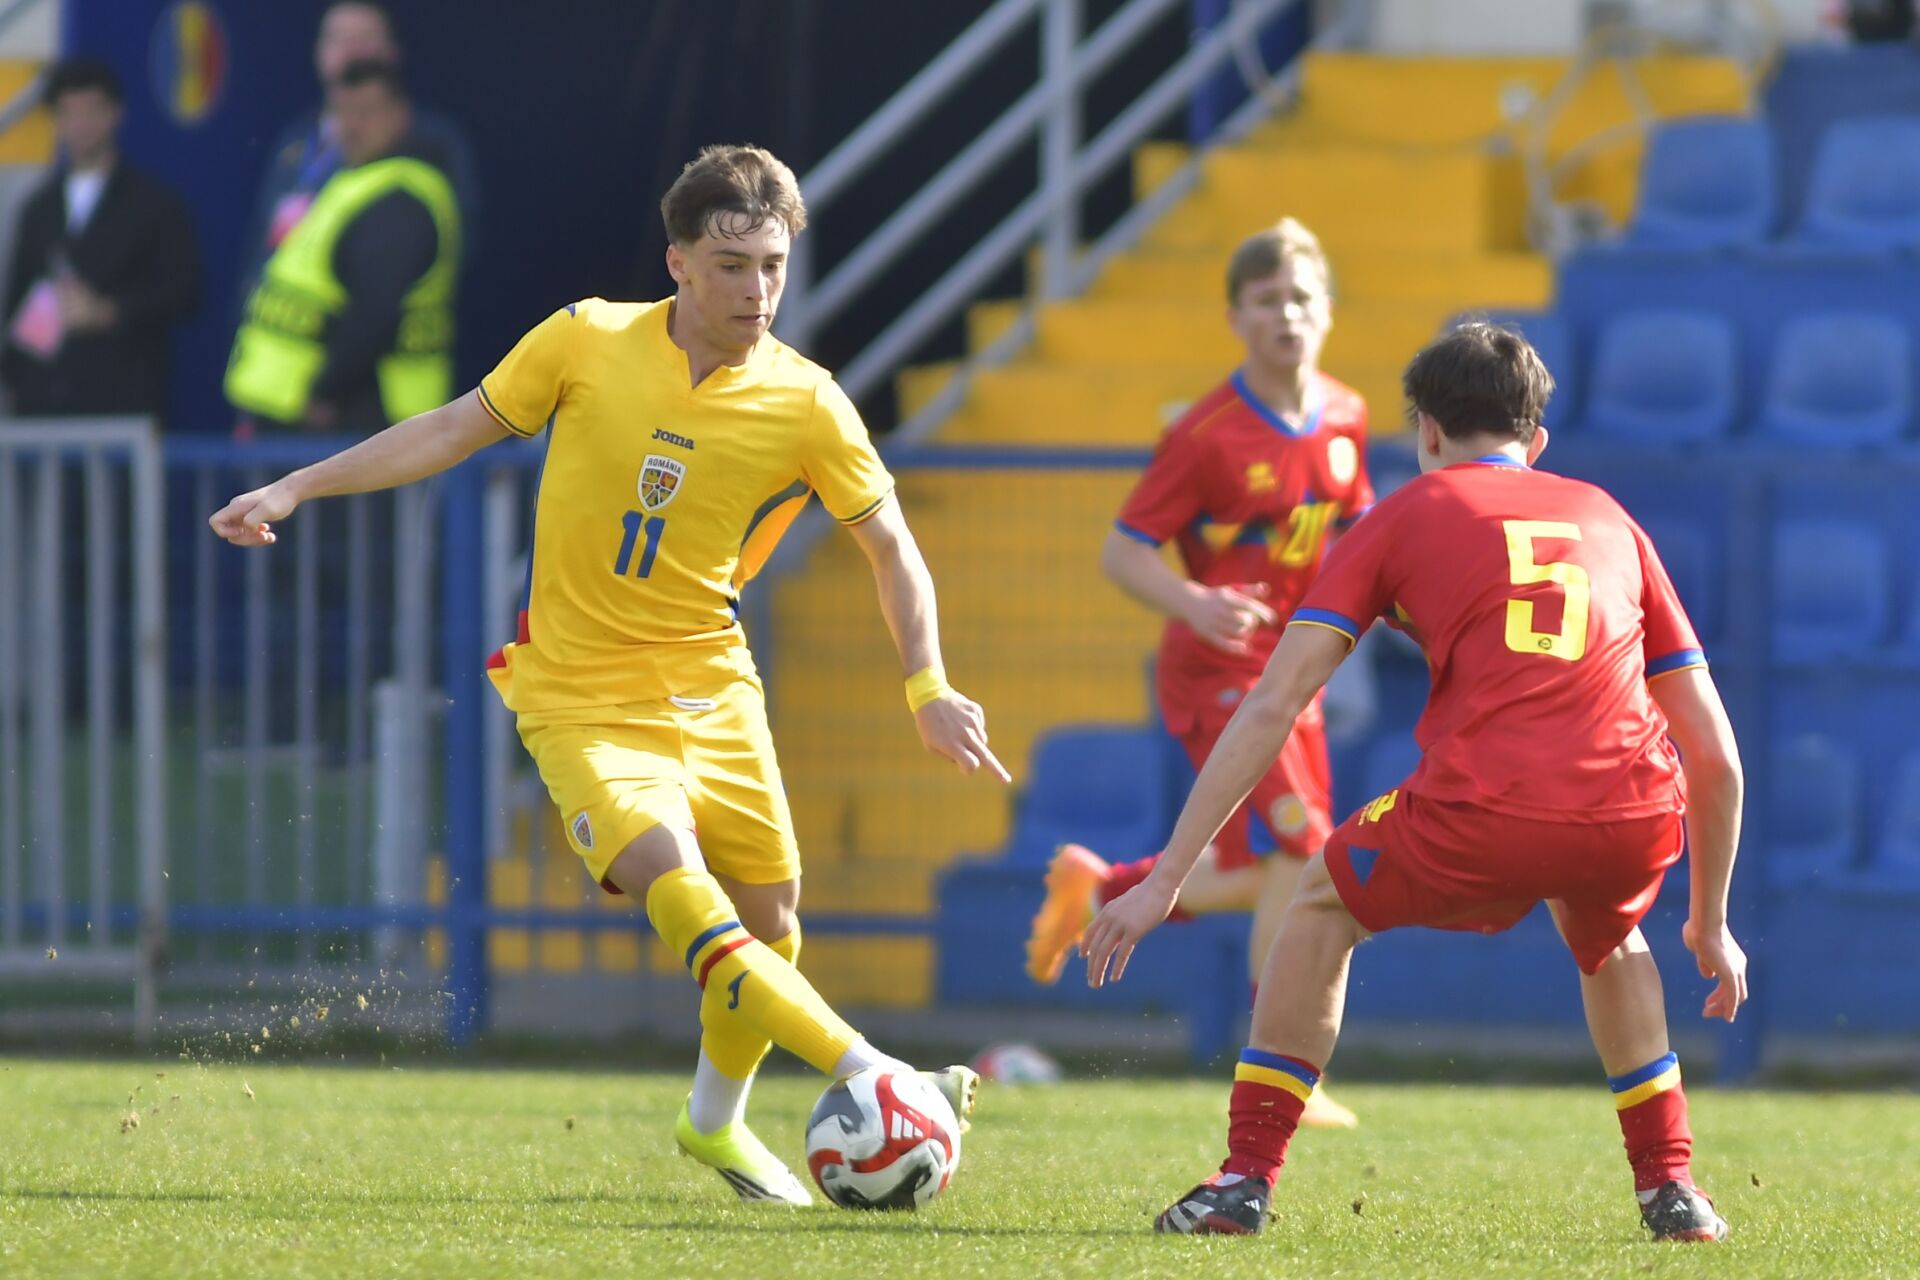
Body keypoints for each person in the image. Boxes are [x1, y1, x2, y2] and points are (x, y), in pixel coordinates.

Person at [210, 144, 1008, 1206]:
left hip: (713, 682)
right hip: (578, 690)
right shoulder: (586, 338)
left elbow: (892, 547)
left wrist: (927, 685)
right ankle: (875, 1070)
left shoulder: (808, 402)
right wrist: (296, 487)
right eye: (731, 266)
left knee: (774, 922)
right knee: (680, 887)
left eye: (773, 265)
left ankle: (712, 1122)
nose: (758, 290)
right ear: (678, 262)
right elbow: (451, 428)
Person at [1082, 321, 1748, 1243]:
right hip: (1629, 810)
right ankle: (1671, 1188)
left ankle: (1243, 1180)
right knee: (1610, 930)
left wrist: (1165, 879)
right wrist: (1710, 921)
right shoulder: (1610, 517)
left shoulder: (1402, 512)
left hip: (1487, 806)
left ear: (1426, 432)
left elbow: (1274, 702)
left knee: (1321, 899)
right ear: (1536, 440)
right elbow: (1715, 754)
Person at [1024, 218, 1370, 1129]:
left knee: (1290, 865)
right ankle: (1280, 1068)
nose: (1286, 315)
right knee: (1300, 852)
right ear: (1235, 318)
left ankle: (1105, 890)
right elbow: (1121, 551)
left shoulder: (1346, 414)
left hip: (1296, 666)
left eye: (1301, 297)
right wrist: (1195, 602)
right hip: (1217, 667)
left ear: (1328, 310)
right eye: (1266, 300)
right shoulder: (1206, 433)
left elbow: (1354, 533)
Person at [225, 59, 460, 437]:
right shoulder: (351, 180)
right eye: (340, 112)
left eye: (365, 112)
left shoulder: (400, 198)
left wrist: (324, 394)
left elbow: (374, 314)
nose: (350, 126)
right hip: (299, 417)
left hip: (357, 423)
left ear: (399, 116)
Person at [234, 1, 476, 310]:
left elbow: (453, 243)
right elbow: (263, 239)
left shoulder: (432, 140)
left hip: (370, 322)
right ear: (319, 53)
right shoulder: (297, 137)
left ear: (393, 51)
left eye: (365, 38)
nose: (352, 51)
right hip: (279, 321)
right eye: (339, 38)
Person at [2, 57, 199, 419]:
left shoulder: (155, 204)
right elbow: (18, 302)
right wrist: (18, 379)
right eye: (68, 113)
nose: (80, 125)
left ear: (115, 114)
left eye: (91, 111)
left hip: (121, 404)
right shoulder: (38, 209)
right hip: (44, 405)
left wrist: (109, 311)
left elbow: (184, 292)